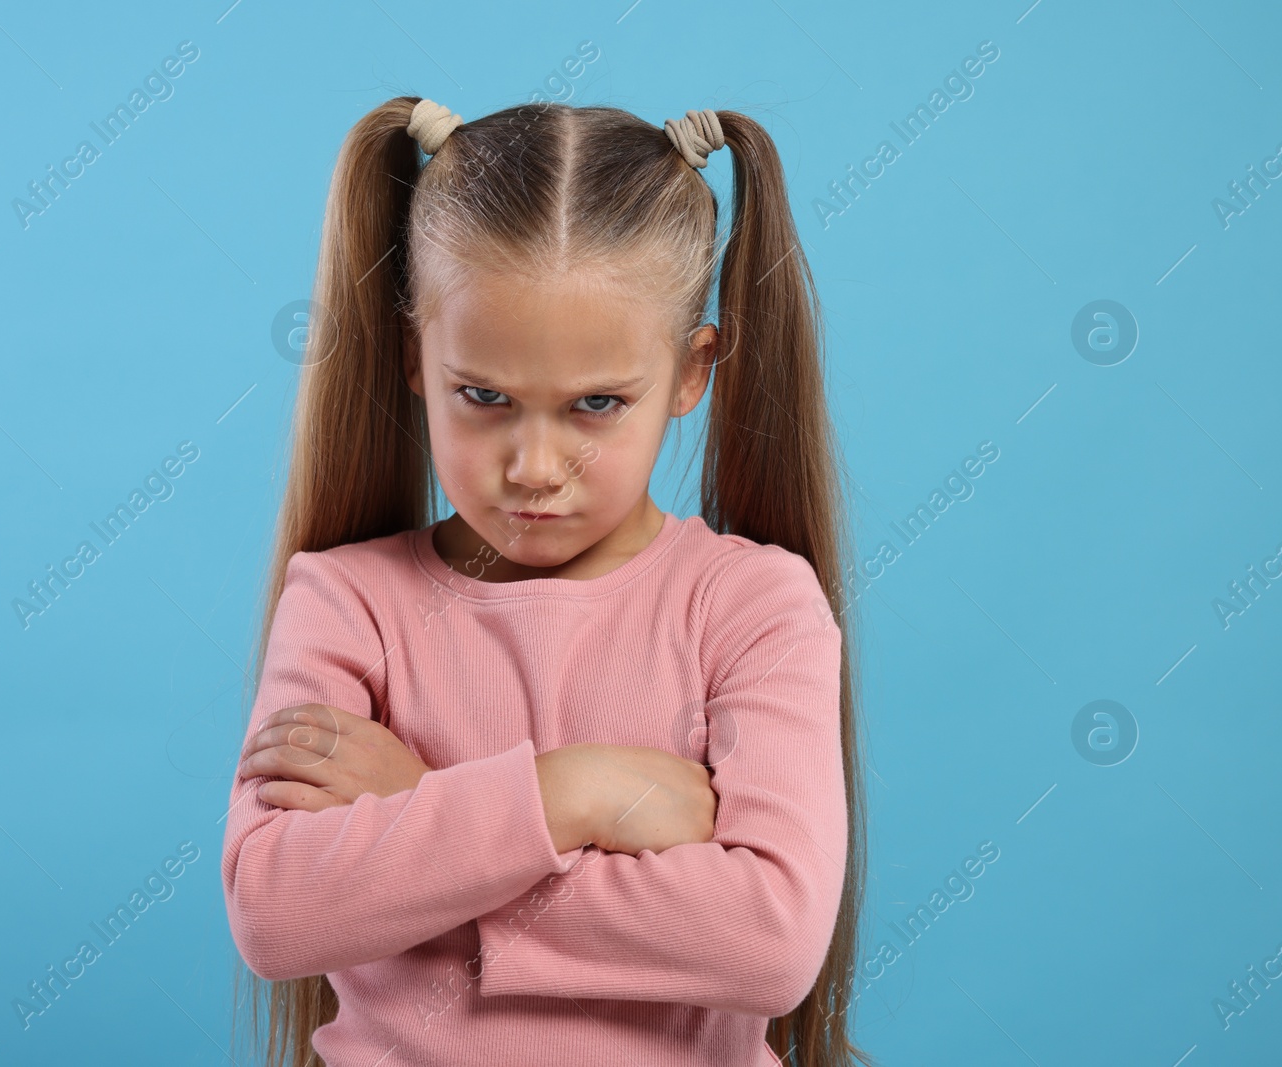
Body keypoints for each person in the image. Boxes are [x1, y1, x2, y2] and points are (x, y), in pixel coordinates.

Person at [220, 96, 871, 1067]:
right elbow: (277, 911)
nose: (533, 464)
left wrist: (422, 808)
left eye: (596, 404)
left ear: (692, 372)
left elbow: (768, 940)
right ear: (413, 357)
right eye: (483, 396)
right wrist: (582, 791)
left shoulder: (752, 606)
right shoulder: (347, 600)